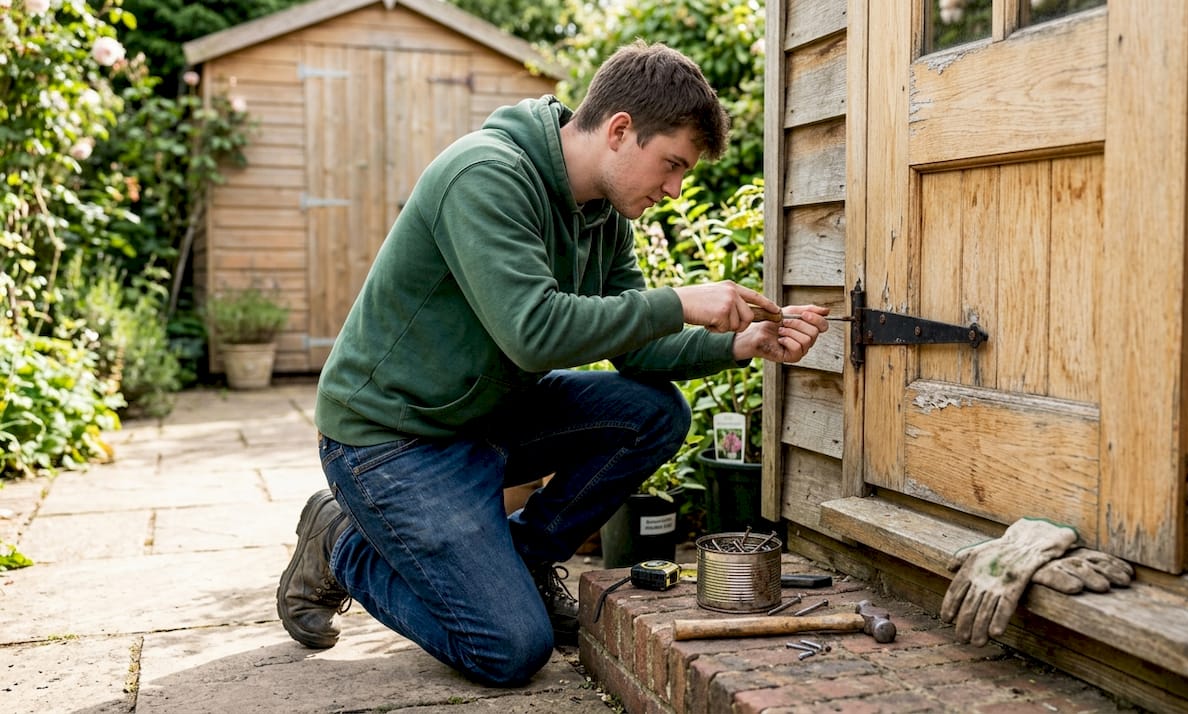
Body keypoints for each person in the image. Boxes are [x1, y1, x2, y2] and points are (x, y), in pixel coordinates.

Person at [276, 40, 830, 686]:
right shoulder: (485, 175)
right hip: (391, 441)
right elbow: (532, 333)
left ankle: (523, 559)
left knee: (651, 413)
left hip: (483, 417)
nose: (675, 189)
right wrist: (680, 302)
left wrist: (742, 344)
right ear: (621, 130)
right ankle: (341, 545)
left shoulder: (601, 216)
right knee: (509, 650)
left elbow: (637, 350)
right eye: (671, 164)